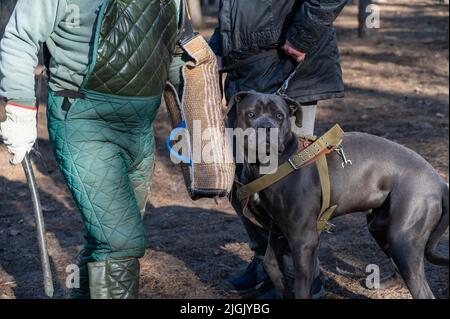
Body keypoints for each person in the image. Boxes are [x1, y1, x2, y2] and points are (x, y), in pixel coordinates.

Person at [0, 0, 190, 299]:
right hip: (82, 119)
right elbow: (19, 37)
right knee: (120, 241)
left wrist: (194, 110)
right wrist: (20, 108)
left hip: (139, 127)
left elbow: (176, 47)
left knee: (106, 238)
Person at [209, 0, 348, 298]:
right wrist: (219, 45)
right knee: (243, 182)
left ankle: (300, 279)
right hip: (246, 72)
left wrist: (302, 36)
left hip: (289, 65)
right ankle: (266, 263)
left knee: (290, 191)